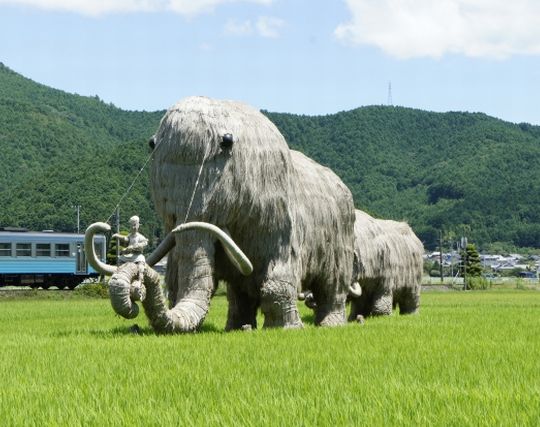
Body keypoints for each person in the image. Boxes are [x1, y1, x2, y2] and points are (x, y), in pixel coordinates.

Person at [112, 215, 148, 301]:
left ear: (138, 225)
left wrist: (132, 247)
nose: (133, 227)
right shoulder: (130, 235)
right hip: (129, 256)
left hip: (137, 256)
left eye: (135, 225)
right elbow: (125, 239)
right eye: (132, 225)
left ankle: (140, 280)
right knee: (120, 258)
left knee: (141, 266)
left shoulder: (140, 237)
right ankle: (118, 274)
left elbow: (144, 244)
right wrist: (117, 235)